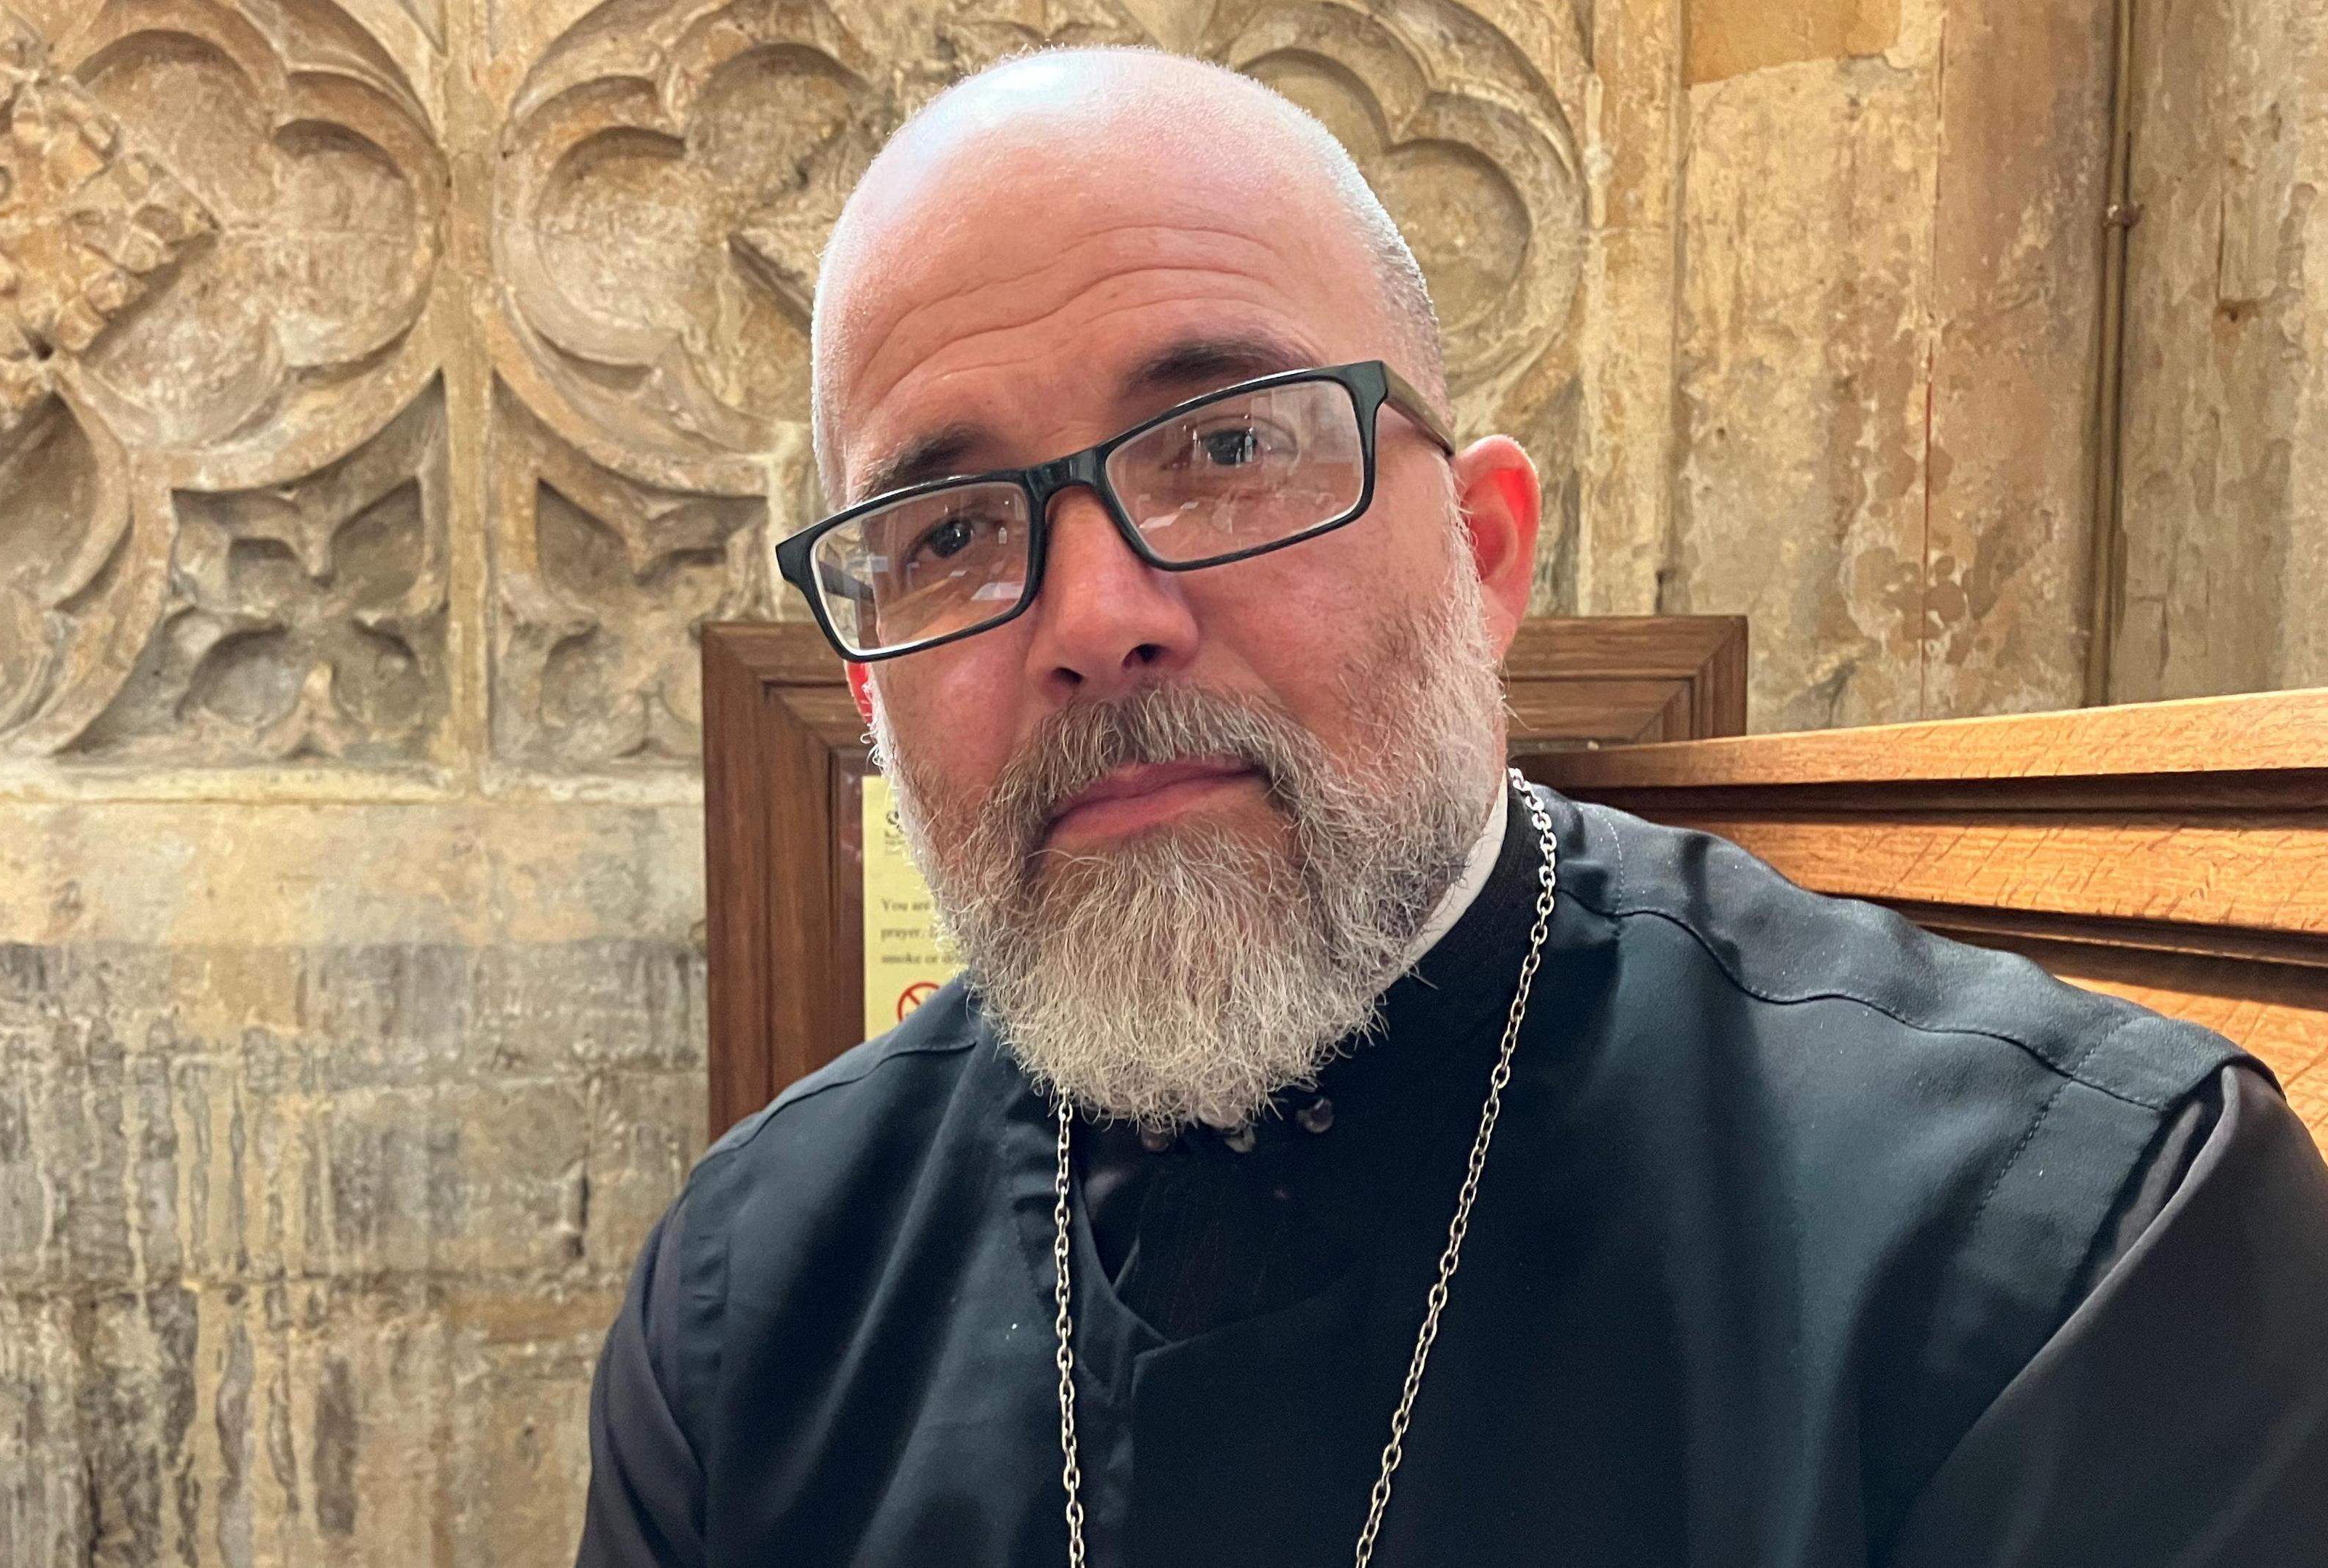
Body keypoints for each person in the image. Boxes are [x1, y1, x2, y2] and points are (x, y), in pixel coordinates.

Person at [577, 46, 2328, 1568]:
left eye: (1230, 446)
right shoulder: (744, 1310)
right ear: (874, 693)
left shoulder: (2069, 1252)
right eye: (948, 533)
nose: (1098, 617)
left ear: (1482, 558)